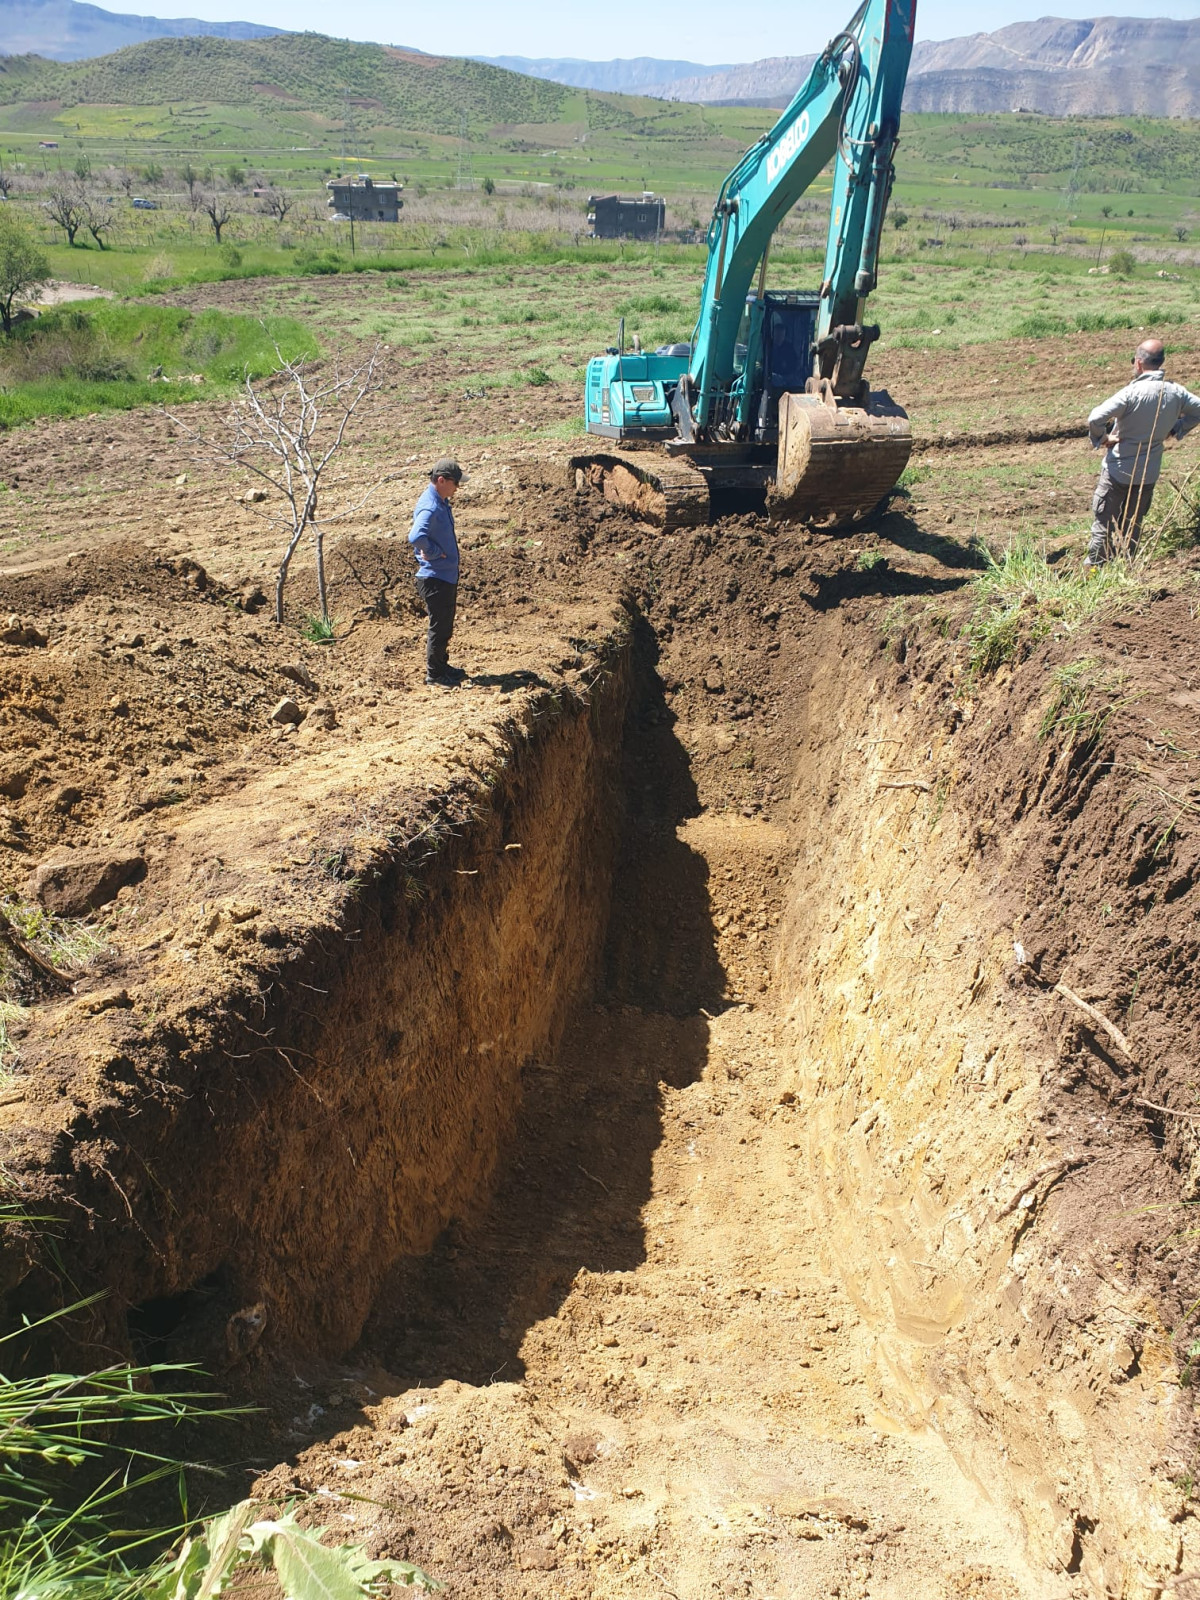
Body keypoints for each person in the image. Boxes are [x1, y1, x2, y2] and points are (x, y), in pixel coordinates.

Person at [1085, 339, 1200, 568]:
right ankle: (1129, 569)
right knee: (1133, 526)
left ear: (1138, 363)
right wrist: (1176, 429)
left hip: (1118, 470)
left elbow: (1095, 418)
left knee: (1103, 526)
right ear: (1160, 363)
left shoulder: (1131, 393)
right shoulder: (1176, 392)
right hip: (1148, 473)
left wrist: (1103, 438)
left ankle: (1094, 572)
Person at [409, 457, 465, 687]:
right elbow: (415, 536)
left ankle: (442, 665)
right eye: (456, 483)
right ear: (441, 480)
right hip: (435, 578)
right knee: (439, 627)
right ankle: (435, 674)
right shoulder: (431, 507)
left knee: (445, 625)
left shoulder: (439, 500)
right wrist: (432, 553)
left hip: (443, 575)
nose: (457, 488)